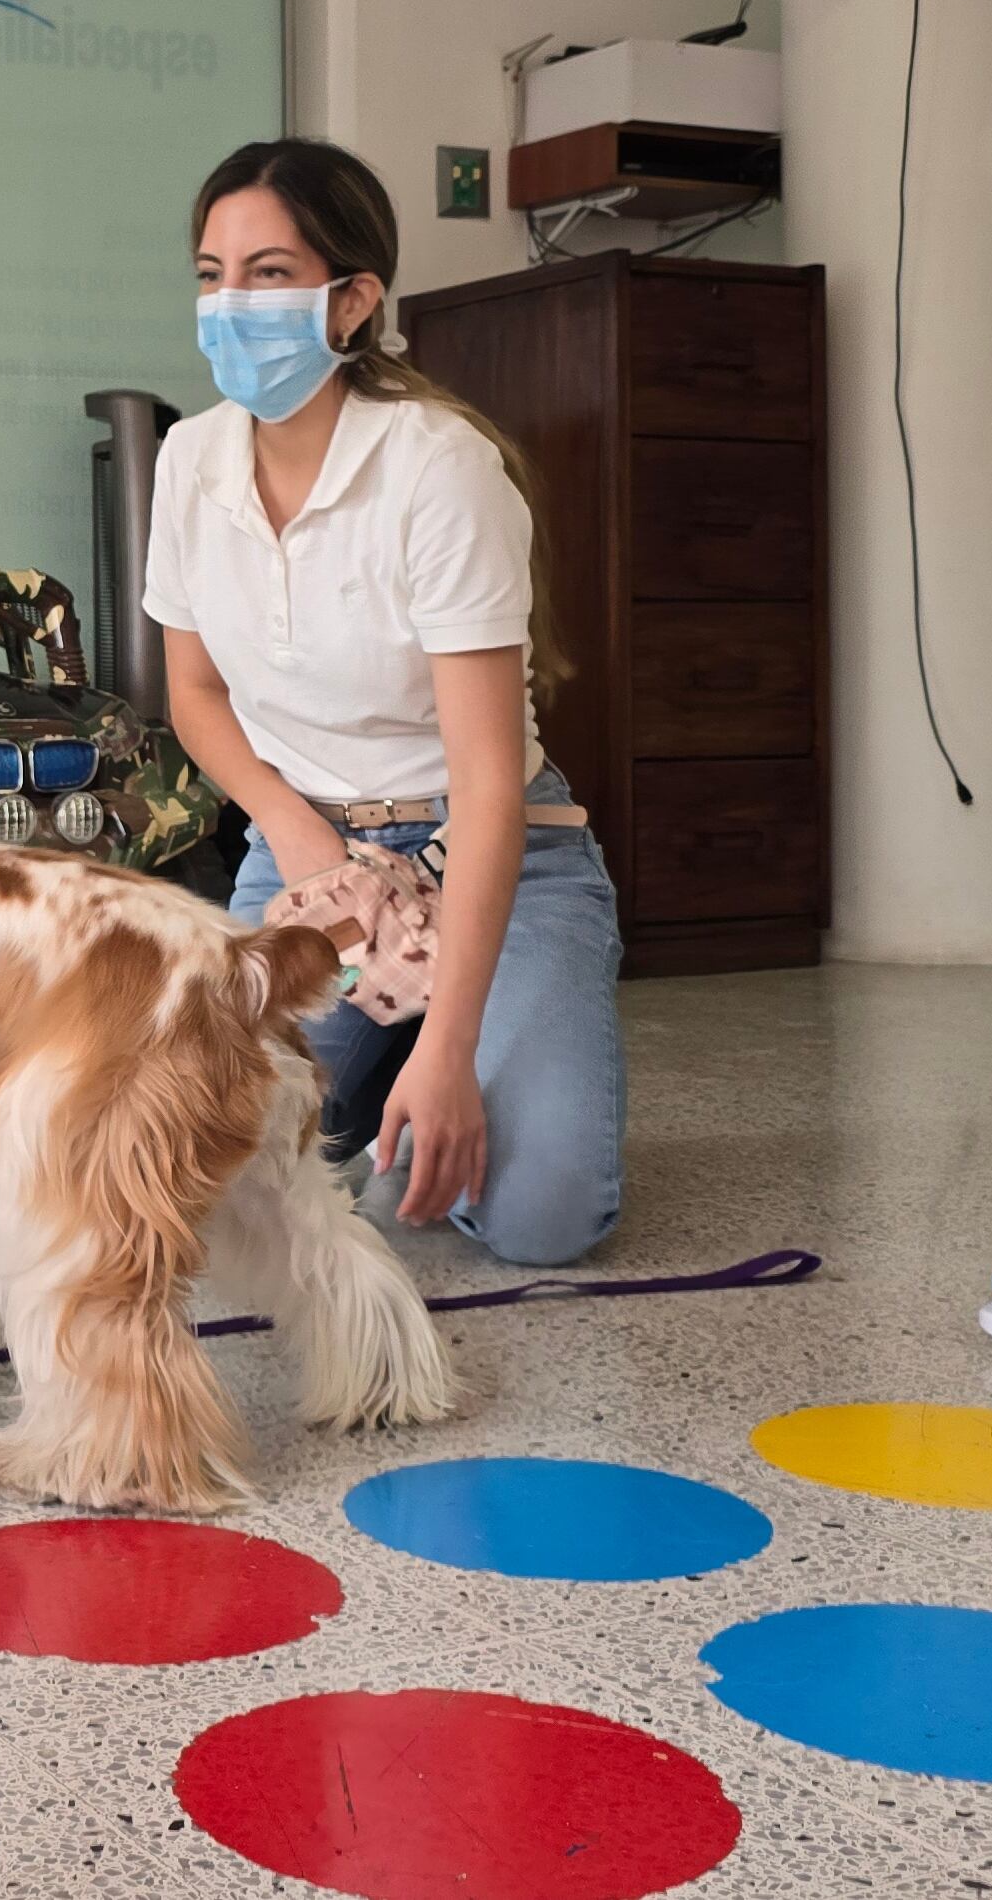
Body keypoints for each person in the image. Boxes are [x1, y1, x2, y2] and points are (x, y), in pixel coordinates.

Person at [146, 138, 623, 1267]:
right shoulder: (187, 461)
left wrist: (450, 1053)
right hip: (306, 850)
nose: (230, 304)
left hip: (489, 850)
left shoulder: (437, 468)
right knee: (191, 1174)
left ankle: (473, 1042)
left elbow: (490, 784)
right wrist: (297, 835)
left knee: (540, 1217)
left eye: (269, 273)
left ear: (352, 300)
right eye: (212, 274)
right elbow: (194, 694)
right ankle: (378, 1076)